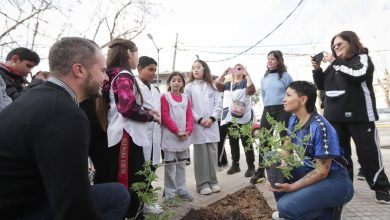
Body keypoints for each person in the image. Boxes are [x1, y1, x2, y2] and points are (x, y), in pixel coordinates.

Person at [0, 37, 130, 219]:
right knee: (117, 196)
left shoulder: (35, 98)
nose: (106, 77)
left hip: (18, 200)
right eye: (102, 70)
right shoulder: (65, 114)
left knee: (115, 194)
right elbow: (73, 208)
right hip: (22, 210)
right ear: (79, 70)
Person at [312, 30, 390, 204]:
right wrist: (317, 69)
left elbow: (358, 74)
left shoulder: (361, 59)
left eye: (339, 44)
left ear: (352, 43)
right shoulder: (335, 65)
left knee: (368, 153)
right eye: (333, 46)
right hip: (334, 117)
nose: (335, 47)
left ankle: (381, 187)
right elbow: (322, 85)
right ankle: (344, 188)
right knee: (340, 155)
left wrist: (334, 61)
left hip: (360, 116)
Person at [269, 81, 354, 220]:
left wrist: (292, 187)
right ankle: (300, 211)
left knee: (285, 207)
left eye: (288, 95)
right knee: (272, 158)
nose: (283, 99)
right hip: (310, 169)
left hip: (335, 180)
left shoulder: (320, 127)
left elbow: (322, 171)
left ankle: (329, 213)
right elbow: (287, 146)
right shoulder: (294, 119)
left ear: (303, 100)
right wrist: (279, 168)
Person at [105, 39, 161, 219]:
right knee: (128, 180)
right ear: (129, 53)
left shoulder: (116, 74)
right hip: (126, 135)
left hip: (126, 134)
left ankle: (136, 213)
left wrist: (145, 110)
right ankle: (133, 215)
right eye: (136, 53)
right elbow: (127, 108)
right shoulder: (123, 75)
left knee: (133, 178)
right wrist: (150, 116)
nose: (137, 57)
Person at [252, 50, 293, 184]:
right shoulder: (264, 78)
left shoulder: (286, 76)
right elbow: (263, 95)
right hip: (268, 109)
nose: (269, 61)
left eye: (273, 59)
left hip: (283, 109)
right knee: (264, 140)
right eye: (268, 59)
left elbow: (292, 93)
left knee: (284, 139)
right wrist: (268, 105)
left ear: (279, 61)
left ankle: (288, 169)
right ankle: (261, 171)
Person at [184, 59, 222, 195]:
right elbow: (188, 106)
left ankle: (213, 181)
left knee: (212, 154)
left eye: (199, 67)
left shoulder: (212, 86)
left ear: (204, 69)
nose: (196, 70)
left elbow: (219, 103)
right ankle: (202, 184)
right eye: (193, 67)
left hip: (211, 125)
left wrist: (212, 118)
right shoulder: (188, 87)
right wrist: (199, 119)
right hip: (198, 125)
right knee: (200, 156)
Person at [214, 63, 256, 178]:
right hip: (230, 117)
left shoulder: (245, 82)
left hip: (244, 117)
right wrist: (224, 72)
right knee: (233, 142)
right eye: (235, 68)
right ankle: (235, 165)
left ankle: (251, 167)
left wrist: (247, 75)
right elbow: (216, 84)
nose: (237, 70)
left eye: (239, 68)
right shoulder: (228, 84)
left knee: (246, 142)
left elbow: (252, 90)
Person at [161, 71, 194, 205]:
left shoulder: (186, 98)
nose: (176, 83)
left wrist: (188, 130)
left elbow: (189, 116)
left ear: (182, 83)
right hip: (170, 137)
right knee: (170, 167)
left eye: (179, 80)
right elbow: (164, 116)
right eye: (173, 80)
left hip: (184, 137)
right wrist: (176, 131)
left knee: (181, 165)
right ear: (169, 83)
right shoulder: (165, 97)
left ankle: (182, 190)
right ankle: (170, 194)